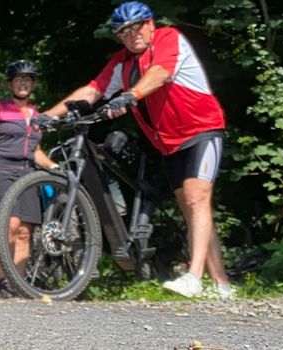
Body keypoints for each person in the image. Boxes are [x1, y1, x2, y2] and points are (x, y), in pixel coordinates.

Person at [41, 1, 232, 299]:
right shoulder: (122, 62)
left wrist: (131, 96)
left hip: (201, 131)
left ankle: (194, 278)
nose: (132, 35)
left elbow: (160, 74)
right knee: (193, 209)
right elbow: (93, 90)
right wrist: (47, 117)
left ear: (150, 24)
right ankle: (221, 284)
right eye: (123, 32)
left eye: (136, 27)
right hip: (168, 143)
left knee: (196, 200)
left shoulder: (168, 38)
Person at [0, 60, 57, 297]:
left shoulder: (36, 114)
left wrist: (54, 167)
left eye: (27, 80)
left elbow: (36, 150)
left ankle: (18, 285)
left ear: (32, 84)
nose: (23, 83)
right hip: (2, 170)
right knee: (10, 226)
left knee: (25, 230)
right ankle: (3, 282)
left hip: (27, 173)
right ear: (10, 84)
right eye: (18, 79)